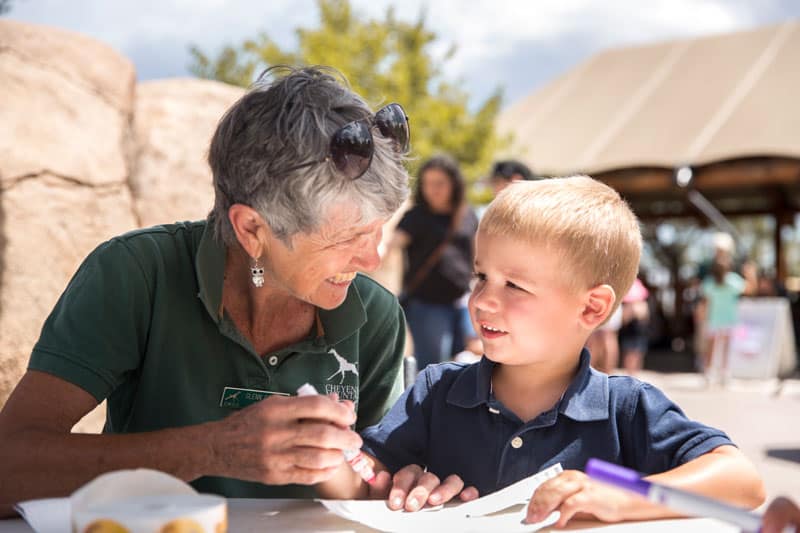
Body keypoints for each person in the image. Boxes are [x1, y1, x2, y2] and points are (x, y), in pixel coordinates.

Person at [0, 66, 412, 514]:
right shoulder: (138, 275)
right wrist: (212, 449)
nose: (371, 260)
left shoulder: (376, 316)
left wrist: (414, 483)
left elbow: (376, 483)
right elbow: (9, 470)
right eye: (347, 238)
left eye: (376, 232)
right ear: (252, 229)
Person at [320, 176, 766, 526]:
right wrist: (323, 456)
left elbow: (741, 480)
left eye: (514, 285)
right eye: (481, 277)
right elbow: (367, 480)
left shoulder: (625, 409)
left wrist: (619, 497)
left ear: (592, 307)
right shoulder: (437, 393)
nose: (482, 301)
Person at [389, 155, 479, 371]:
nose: (433, 190)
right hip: (427, 304)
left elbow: (478, 255)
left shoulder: (467, 215)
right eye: (427, 183)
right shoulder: (416, 216)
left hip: (462, 301)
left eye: (439, 183)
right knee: (432, 366)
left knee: (467, 360)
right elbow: (391, 245)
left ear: (453, 184)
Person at [701, 253, 746, 386]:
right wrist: (749, 273)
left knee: (712, 347)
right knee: (725, 347)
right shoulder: (733, 280)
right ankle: (724, 374)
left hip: (714, 319)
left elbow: (706, 302)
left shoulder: (709, 282)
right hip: (728, 319)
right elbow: (748, 289)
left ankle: (710, 373)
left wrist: (703, 317)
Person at [618, 277, 650, 374]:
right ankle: (630, 373)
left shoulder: (642, 305)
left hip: (638, 333)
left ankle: (633, 373)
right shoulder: (628, 306)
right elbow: (623, 321)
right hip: (630, 333)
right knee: (629, 354)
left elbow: (645, 319)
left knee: (638, 354)